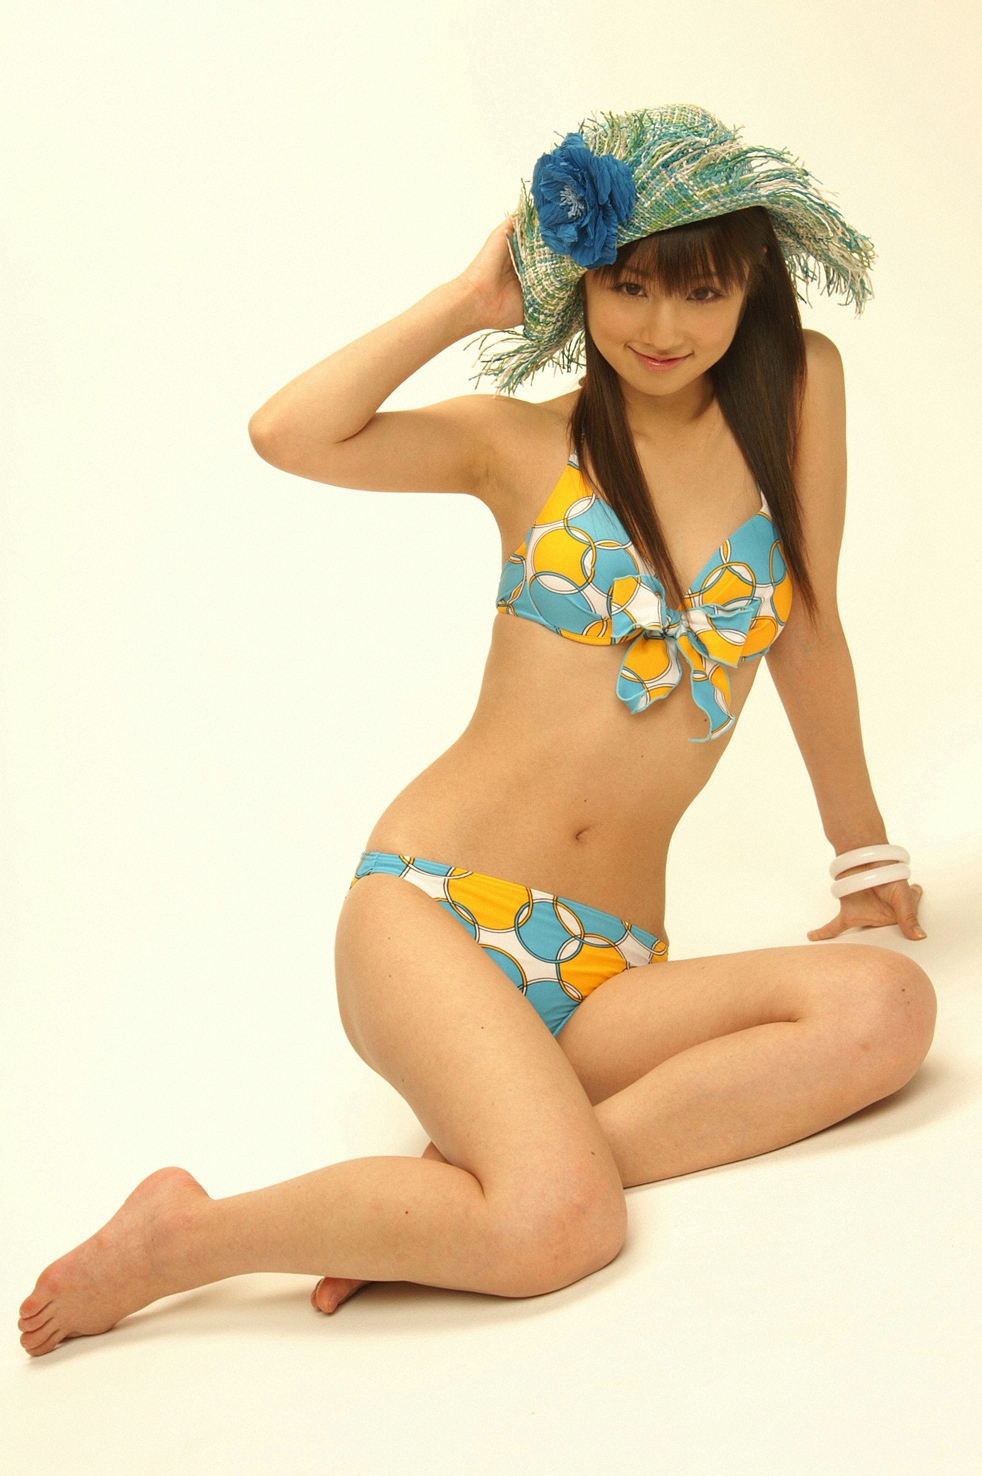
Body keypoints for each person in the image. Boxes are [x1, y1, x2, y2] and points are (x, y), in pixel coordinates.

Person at [18, 105, 934, 1358]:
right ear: (582, 284)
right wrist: (464, 302)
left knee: (885, 1009)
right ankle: (193, 1233)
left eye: (701, 291)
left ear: (751, 290)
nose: (661, 327)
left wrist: (862, 856)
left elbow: (807, 629)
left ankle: (450, 1194)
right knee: (559, 1226)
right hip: (432, 914)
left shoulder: (800, 391)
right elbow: (288, 432)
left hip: (611, 968)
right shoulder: (522, 445)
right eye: (627, 286)